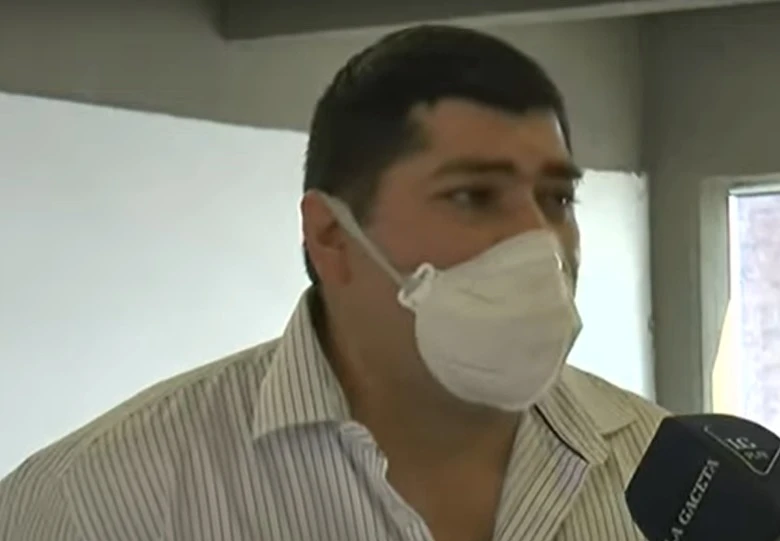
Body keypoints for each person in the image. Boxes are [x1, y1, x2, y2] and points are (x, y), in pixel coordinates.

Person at [0, 24, 667, 541]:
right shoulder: (95, 503)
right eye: (472, 195)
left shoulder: (672, 476)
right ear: (331, 237)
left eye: (556, 199)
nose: (539, 240)